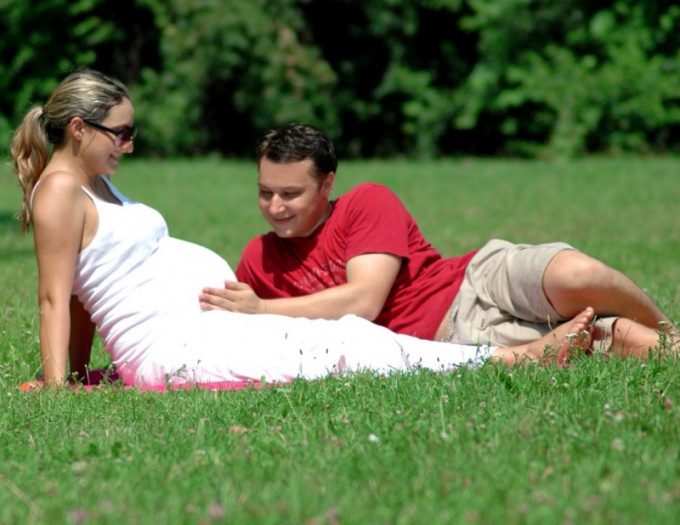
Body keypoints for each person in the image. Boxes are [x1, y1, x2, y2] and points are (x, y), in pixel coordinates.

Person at [11, 70, 593, 388]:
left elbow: (85, 292)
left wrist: (82, 372)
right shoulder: (61, 191)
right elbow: (54, 297)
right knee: (346, 344)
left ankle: (520, 354)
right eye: (122, 133)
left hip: (193, 335)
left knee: (343, 337)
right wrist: (59, 385)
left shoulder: (92, 184)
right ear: (81, 129)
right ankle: (515, 360)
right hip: (172, 349)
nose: (130, 144)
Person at [199, 123, 677, 360]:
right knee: (612, 339)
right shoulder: (258, 259)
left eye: (290, 194)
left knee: (580, 274)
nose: (275, 207)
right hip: (451, 338)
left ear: (326, 185)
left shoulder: (366, 202)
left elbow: (365, 301)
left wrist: (262, 308)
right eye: (265, 193)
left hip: (474, 280)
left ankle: (672, 330)